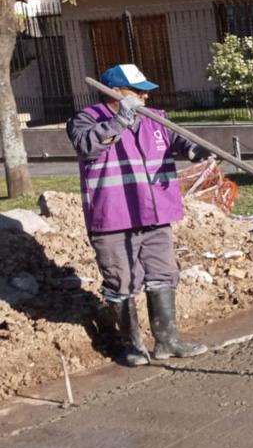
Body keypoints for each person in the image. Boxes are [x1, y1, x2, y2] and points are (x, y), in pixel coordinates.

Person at [67, 63, 211, 366]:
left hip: (155, 213)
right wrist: (121, 119)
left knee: (163, 273)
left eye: (146, 93)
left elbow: (177, 140)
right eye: (137, 92)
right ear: (116, 92)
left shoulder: (156, 119)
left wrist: (193, 149)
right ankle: (132, 345)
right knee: (121, 280)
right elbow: (87, 147)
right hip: (113, 216)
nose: (144, 98)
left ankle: (167, 340)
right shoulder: (86, 120)